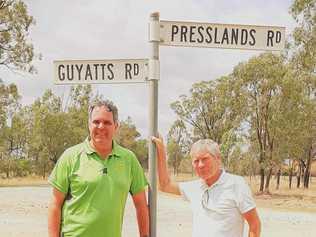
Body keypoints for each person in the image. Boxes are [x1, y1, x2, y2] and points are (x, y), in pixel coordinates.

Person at [48, 100, 149, 237]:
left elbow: (141, 205)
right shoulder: (70, 157)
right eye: (96, 122)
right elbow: (55, 204)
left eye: (107, 122)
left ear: (116, 126)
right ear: (89, 125)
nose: (101, 127)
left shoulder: (129, 159)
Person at [152, 136, 261, 237]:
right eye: (196, 161)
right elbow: (165, 185)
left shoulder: (236, 184)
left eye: (205, 159)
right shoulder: (195, 187)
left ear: (218, 159)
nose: (200, 165)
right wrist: (161, 151)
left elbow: (254, 224)